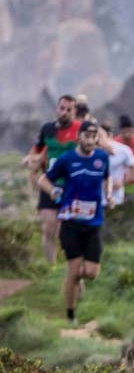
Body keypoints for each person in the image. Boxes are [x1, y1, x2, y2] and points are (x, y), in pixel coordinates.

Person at [35, 120, 109, 323]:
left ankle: (73, 281)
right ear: (79, 137)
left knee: (91, 273)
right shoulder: (67, 159)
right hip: (70, 222)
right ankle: (70, 315)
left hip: (93, 223)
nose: (91, 140)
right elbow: (42, 180)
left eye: (94, 136)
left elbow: (106, 178)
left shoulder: (102, 158)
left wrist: (108, 193)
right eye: (87, 135)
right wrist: (54, 191)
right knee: (74, 269)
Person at [22, 94, 79, 263]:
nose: (64, 113)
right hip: (49, 184)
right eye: (62, 108)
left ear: (74, 112)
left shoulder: (80, 130)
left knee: (64, 232)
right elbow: (36, 149)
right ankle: (51, 268)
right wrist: (30, 159)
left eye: (69, 110)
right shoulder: (47, 129)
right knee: (48, 228)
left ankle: (67, 265)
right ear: (57, 109)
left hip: (71, 186)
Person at [97, 124, 134, 207]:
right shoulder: (90, 152)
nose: (97, 139)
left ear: (108, 136)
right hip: (95, 199)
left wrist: (122, 182)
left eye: (100, 136)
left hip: (116, 198)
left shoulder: (122, 150)